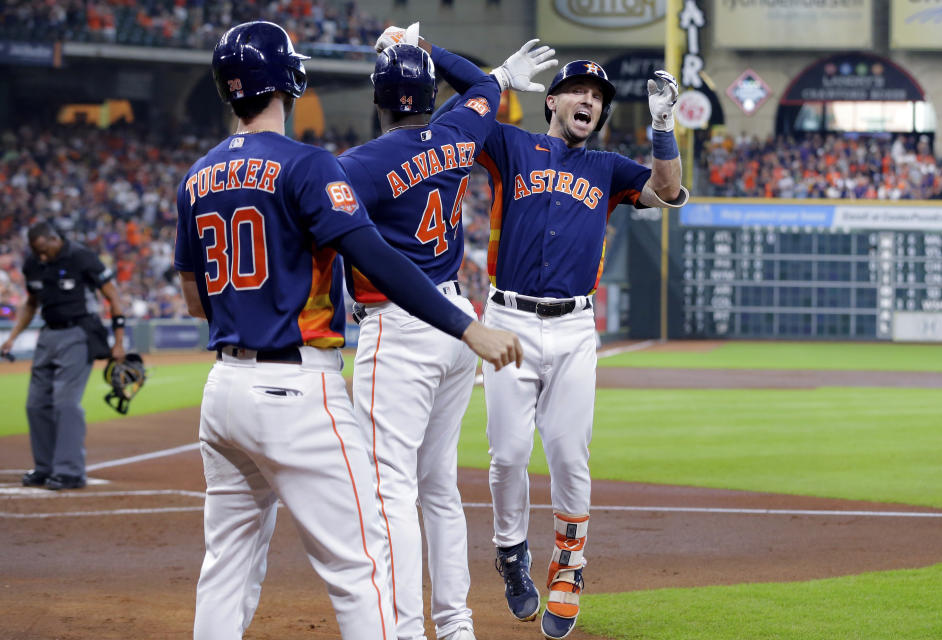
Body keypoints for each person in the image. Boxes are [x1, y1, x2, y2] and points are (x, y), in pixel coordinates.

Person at [175, 21, 522, 640]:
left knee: (225, 569)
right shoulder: (310, 165)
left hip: (222, 387)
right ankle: (449, 625)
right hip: (299, 383)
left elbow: (194, 296)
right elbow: (382, 260)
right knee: (363, 560)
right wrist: (467, 330)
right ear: (288, 80)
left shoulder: (196, 177)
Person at [440, 58, 687, 638]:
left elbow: (669, 191)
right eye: (576, 90)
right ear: (551, 101)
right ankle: (510, 553)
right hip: (508, 321)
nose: (588, 101)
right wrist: (493, 79)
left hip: (575, 329)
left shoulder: (606, 168)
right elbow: (454, 128)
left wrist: (662, 125)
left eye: (597, 96)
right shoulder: (510, 145)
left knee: (570, 455)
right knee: (506, 454)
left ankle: (570, 565)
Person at [339, 24, 556, 640]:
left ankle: (407, 630)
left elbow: (328, 233)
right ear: (431, 94)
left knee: (389, 491)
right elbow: (484, 86)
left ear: (381, 99)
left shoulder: (362, 162)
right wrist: (432, 50)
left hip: (400, 325)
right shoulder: (461, 131)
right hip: (459, 324)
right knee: (438, 488)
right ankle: (455, 626)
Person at [1, 222, 127, 490]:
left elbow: (112, 296)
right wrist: (12, 337)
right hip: (48, 334)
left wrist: (118, 342)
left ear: (55, 239)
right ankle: (45, 468)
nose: (42, 256)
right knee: (35, 404)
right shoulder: (33, 264)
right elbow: (32, 303)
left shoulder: (82, 257)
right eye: (37, 252)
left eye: (45, 250)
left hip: (79, 333)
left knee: (66, 403)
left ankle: (69, 471)